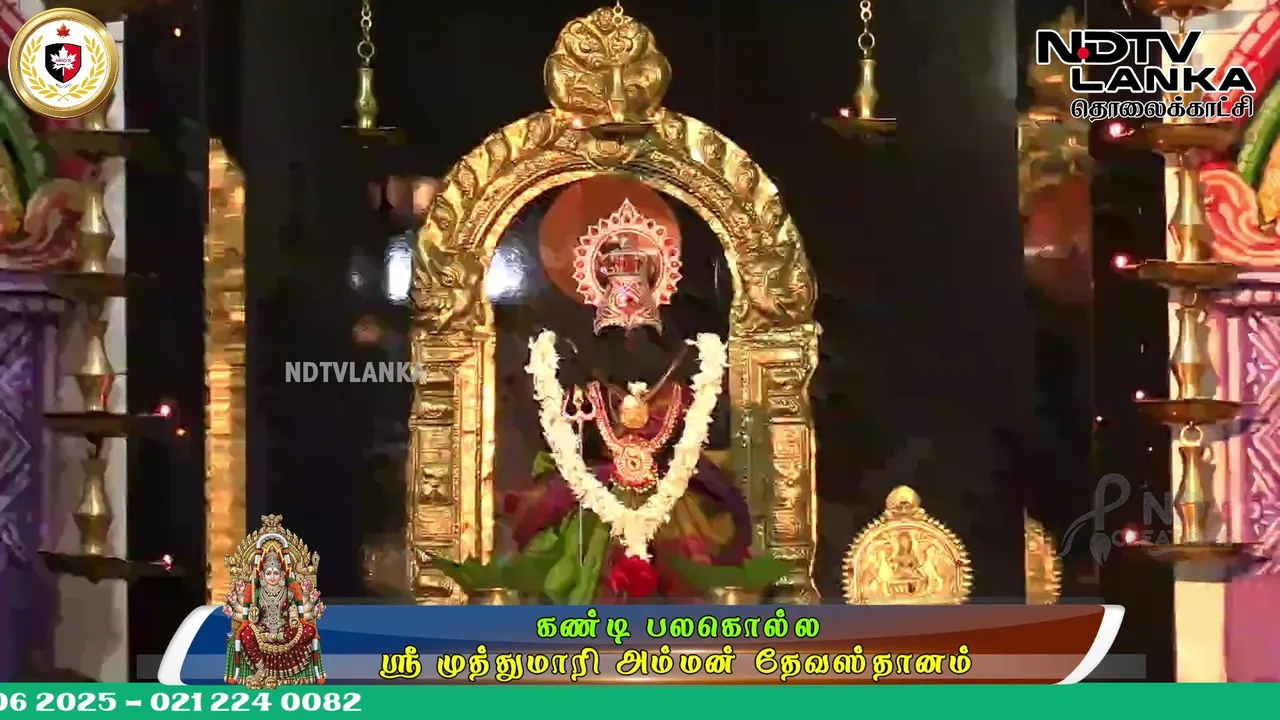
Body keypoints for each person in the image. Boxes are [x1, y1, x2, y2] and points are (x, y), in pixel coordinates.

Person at [223, 543, 326, 687]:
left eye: (276, 573)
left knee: (309, 630)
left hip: (285, 631)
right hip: (261, 630)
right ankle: (261, 669)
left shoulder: (289, 592)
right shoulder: (256, 592)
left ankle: (276, 641)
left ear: (282, 575)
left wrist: (293, 620)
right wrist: (253, 616)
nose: (272, 577)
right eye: (269, 573)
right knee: (245, 634)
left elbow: (293, 612)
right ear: (262, 575)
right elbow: (250, 617)